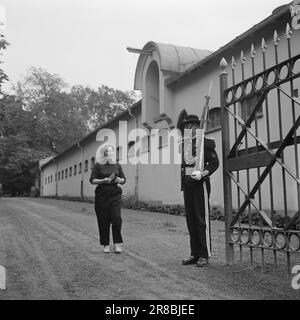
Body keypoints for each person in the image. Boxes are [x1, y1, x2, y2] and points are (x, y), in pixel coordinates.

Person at [177, 111, 219, 267]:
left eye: (190, 125)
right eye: (185, 126)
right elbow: (185, 167)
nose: (187, 128)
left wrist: (202, 174)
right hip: (188, 186)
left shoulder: (205, 142)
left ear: (197, 126)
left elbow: (214, 163)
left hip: (200, 185)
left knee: (201, 221)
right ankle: (194, 253)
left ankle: (205, 254)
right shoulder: (187, 143)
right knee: (191, 221)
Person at [89, 145, 126, 254]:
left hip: (115, 194)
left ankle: (117, 243)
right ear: (103, 154)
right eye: (107, 152)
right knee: (103, 220)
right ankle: (105, 244)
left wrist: (120, 180)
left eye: (111, 152)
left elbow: (124, 179)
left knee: (116, 218)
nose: (109, 154)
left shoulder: (117, 165)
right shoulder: (98, 165)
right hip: (102, 195)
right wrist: (103, 180)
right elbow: (92, 180)